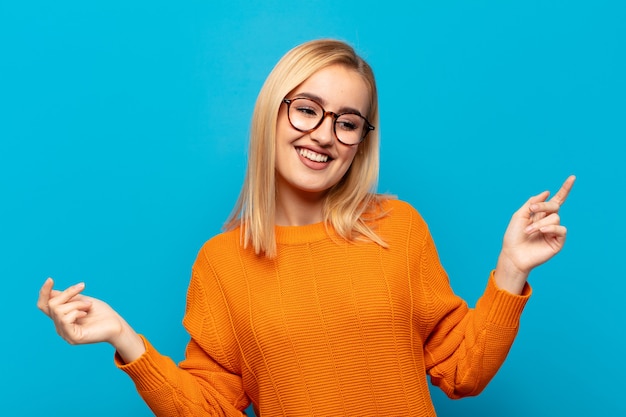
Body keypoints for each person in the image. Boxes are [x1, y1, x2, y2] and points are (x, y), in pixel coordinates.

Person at [37, 39, 575, 417]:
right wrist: (124, 339)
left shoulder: (397, 228)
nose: (324, 135)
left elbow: (463, 373)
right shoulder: (222, 263)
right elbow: (212, 408)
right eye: (306, 110)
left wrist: (511, 269)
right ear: (272, 113)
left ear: (361, 140)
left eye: (346, 122)